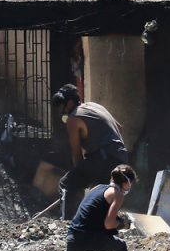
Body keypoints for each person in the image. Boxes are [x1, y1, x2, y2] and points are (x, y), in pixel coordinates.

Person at [52, 83, 129, 220]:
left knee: (67, 183)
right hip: (120, 157)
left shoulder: (73, 119)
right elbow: (119, 128)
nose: (60, 111)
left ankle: (66, 223)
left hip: (103, 157)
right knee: (99, 193)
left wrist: (81, 178)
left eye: (61, 106)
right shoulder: (95, 106)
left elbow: (77, 155)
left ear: (69, 103)